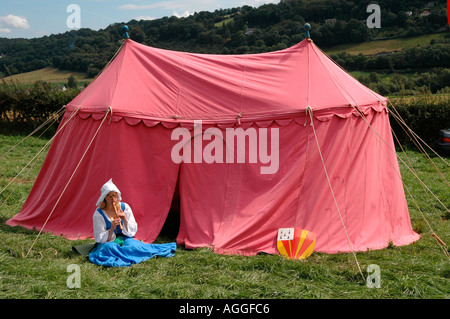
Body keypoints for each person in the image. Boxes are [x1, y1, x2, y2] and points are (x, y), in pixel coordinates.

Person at [89, 179, 176, 267]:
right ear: (104, 199)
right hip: (107, 241)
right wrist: (111, 228)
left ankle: (127, 254)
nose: (113, 199)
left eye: (115, 196)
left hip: (124, 238)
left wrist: (125, 219)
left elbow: (131, 232)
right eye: (110, 197)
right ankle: (130, 255)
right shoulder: (98, 214)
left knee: (133, 246)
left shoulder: (125, 207)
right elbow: (99, 237)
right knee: (109, 248)